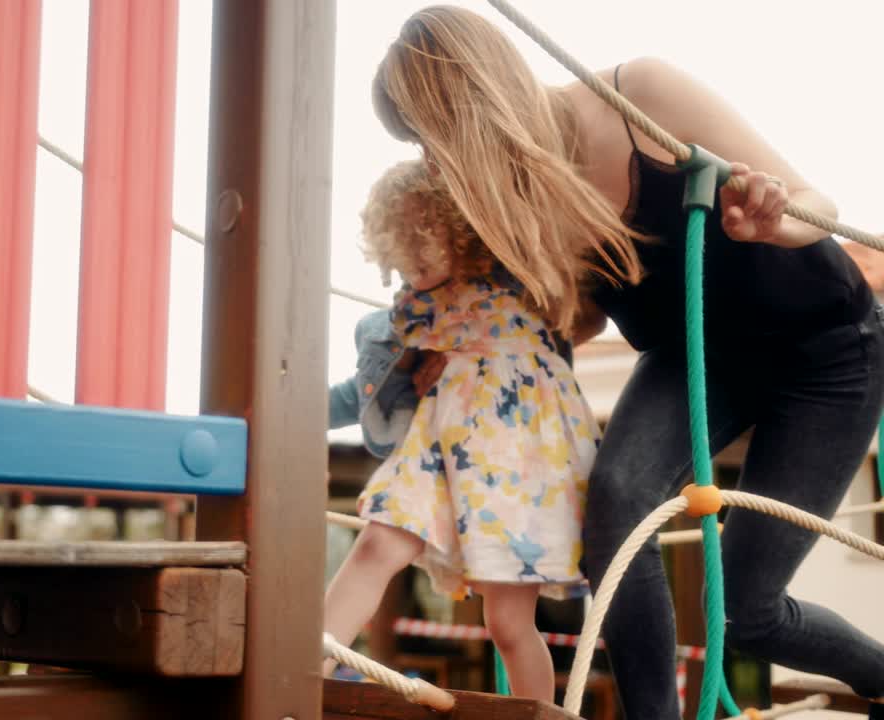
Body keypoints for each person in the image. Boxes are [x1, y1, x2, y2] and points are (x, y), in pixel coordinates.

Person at [371, 6, 884, 717]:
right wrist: (460, 351)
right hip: (693, 357)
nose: (434, 161)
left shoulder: (639, 95)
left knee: (744, 610)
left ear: (473, 101)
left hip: (826, 352)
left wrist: (778, 216)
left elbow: (813, 198)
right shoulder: (516, 206)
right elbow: (572, 321)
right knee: (612, 507)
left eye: (432, 137)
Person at [322, 158, 629, 701]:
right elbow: (358, 393)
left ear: (463, 228)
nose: (412, 263)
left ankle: (536, 715)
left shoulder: (529, 278)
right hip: (441, 456)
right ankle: (307, 666)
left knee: (509, 625)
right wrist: (287, 410)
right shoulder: (410, 314)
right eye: (400, 252)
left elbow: (575, 267)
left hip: (520, 458)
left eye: (423, 243)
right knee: (376, 542)